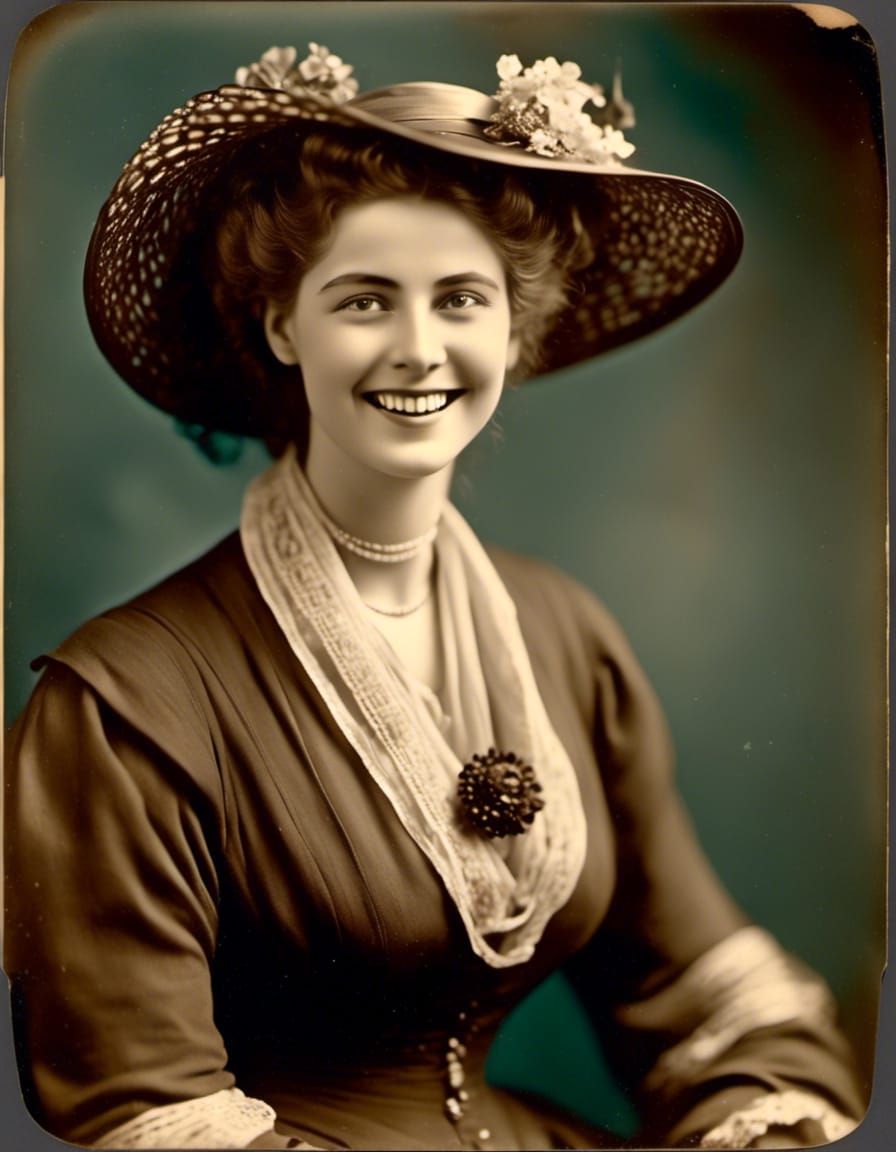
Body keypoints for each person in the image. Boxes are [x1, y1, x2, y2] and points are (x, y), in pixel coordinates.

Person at [4, 42, 866, 1151]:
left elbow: (705, 993)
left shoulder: (561, 633)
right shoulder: (126, 705)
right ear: (282, 325)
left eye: (460, 299)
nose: (419, 350)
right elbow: (140, 1102)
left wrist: (760, 1122)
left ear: (511, 326)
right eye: (364, 301)